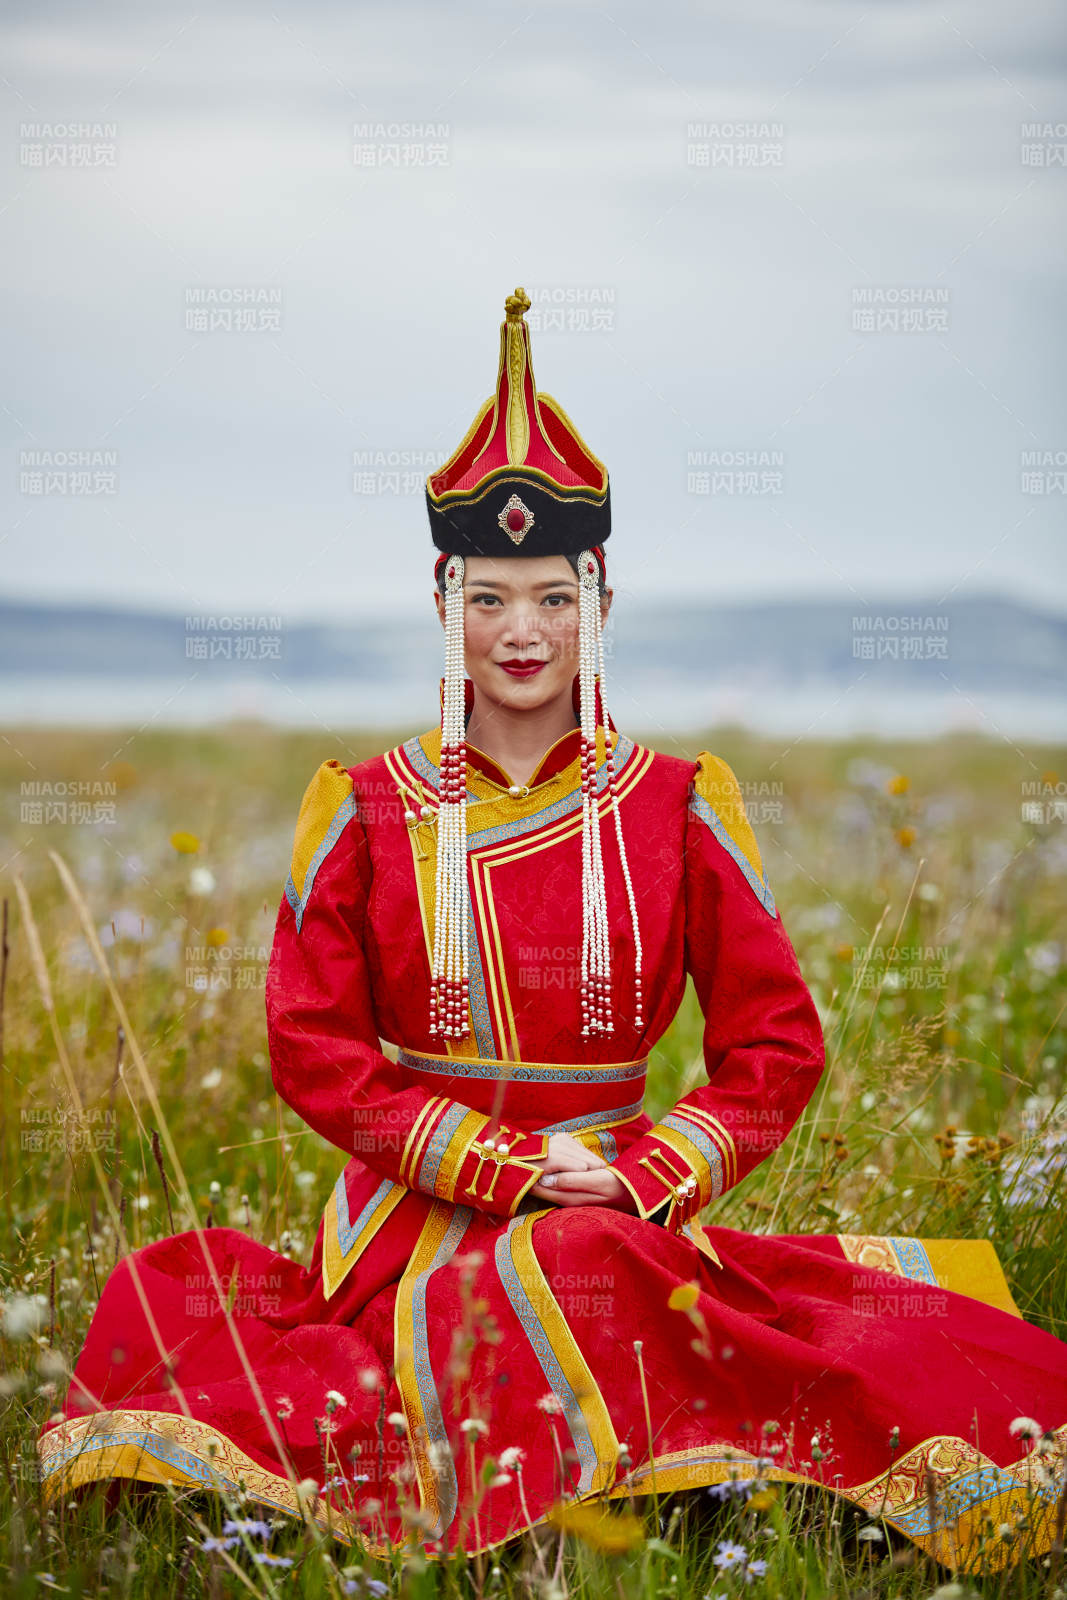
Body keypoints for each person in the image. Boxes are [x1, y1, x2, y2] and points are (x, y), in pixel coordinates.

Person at [37, 288, 1067, 1577]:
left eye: (549, 597)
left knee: (602, 1271)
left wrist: (641, 1173)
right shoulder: (359, 812)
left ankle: (626, 1496)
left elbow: (776, 1046)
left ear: (596, 603)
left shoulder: (680, 805)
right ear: (443, 604)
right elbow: (314, 1050)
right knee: (167, 1294)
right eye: (488, 598)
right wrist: (494, 1168)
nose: (519, 631)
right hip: (417, 1216)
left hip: (615, 1203)